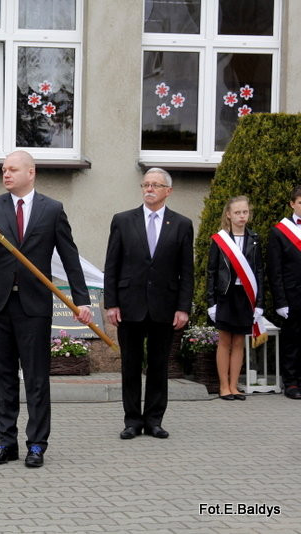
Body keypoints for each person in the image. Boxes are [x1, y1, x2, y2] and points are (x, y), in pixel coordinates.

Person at [0, 151, 92, 468]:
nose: (6, 174)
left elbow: (69, 256)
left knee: (37, 378)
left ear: (31, 172)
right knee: (4, 376)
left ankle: (37, 445)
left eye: (12, 169)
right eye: (3, 169)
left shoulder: (52, 209)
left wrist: (81, 300)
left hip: (34, 306)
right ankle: (5, 443)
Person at [104, 168, 193, 440]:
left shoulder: (181, 224)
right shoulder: (123, 220)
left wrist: (183, 307)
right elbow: (112, 265)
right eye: (146, 184)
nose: (149, 189)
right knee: (130, 365)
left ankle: (154, 420)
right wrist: (111, 303)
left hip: (164, 306)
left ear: (168, 191)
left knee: (158, 365)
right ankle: (132, 421)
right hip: (129, 305)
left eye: (156, 185)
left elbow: (186, 270)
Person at [206, 196, 263, 401]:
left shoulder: (254, 239)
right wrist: (211, 303)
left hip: (246, 296)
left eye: (245, 212)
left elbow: (259, 272)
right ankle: (223, 386)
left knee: (239, 341)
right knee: (224, 341)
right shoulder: (219, 240)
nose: (242, 216)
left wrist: (260, 304)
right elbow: (211, 272)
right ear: (229, 215)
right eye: (237, 212)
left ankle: (234, 385)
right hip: (225, 295)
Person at [267, 185, 301, 400]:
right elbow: (275, 270)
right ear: (292, 204)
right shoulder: (279, 231)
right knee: (292, 342)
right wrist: (280, 301)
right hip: (292, 296)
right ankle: (291, 383)